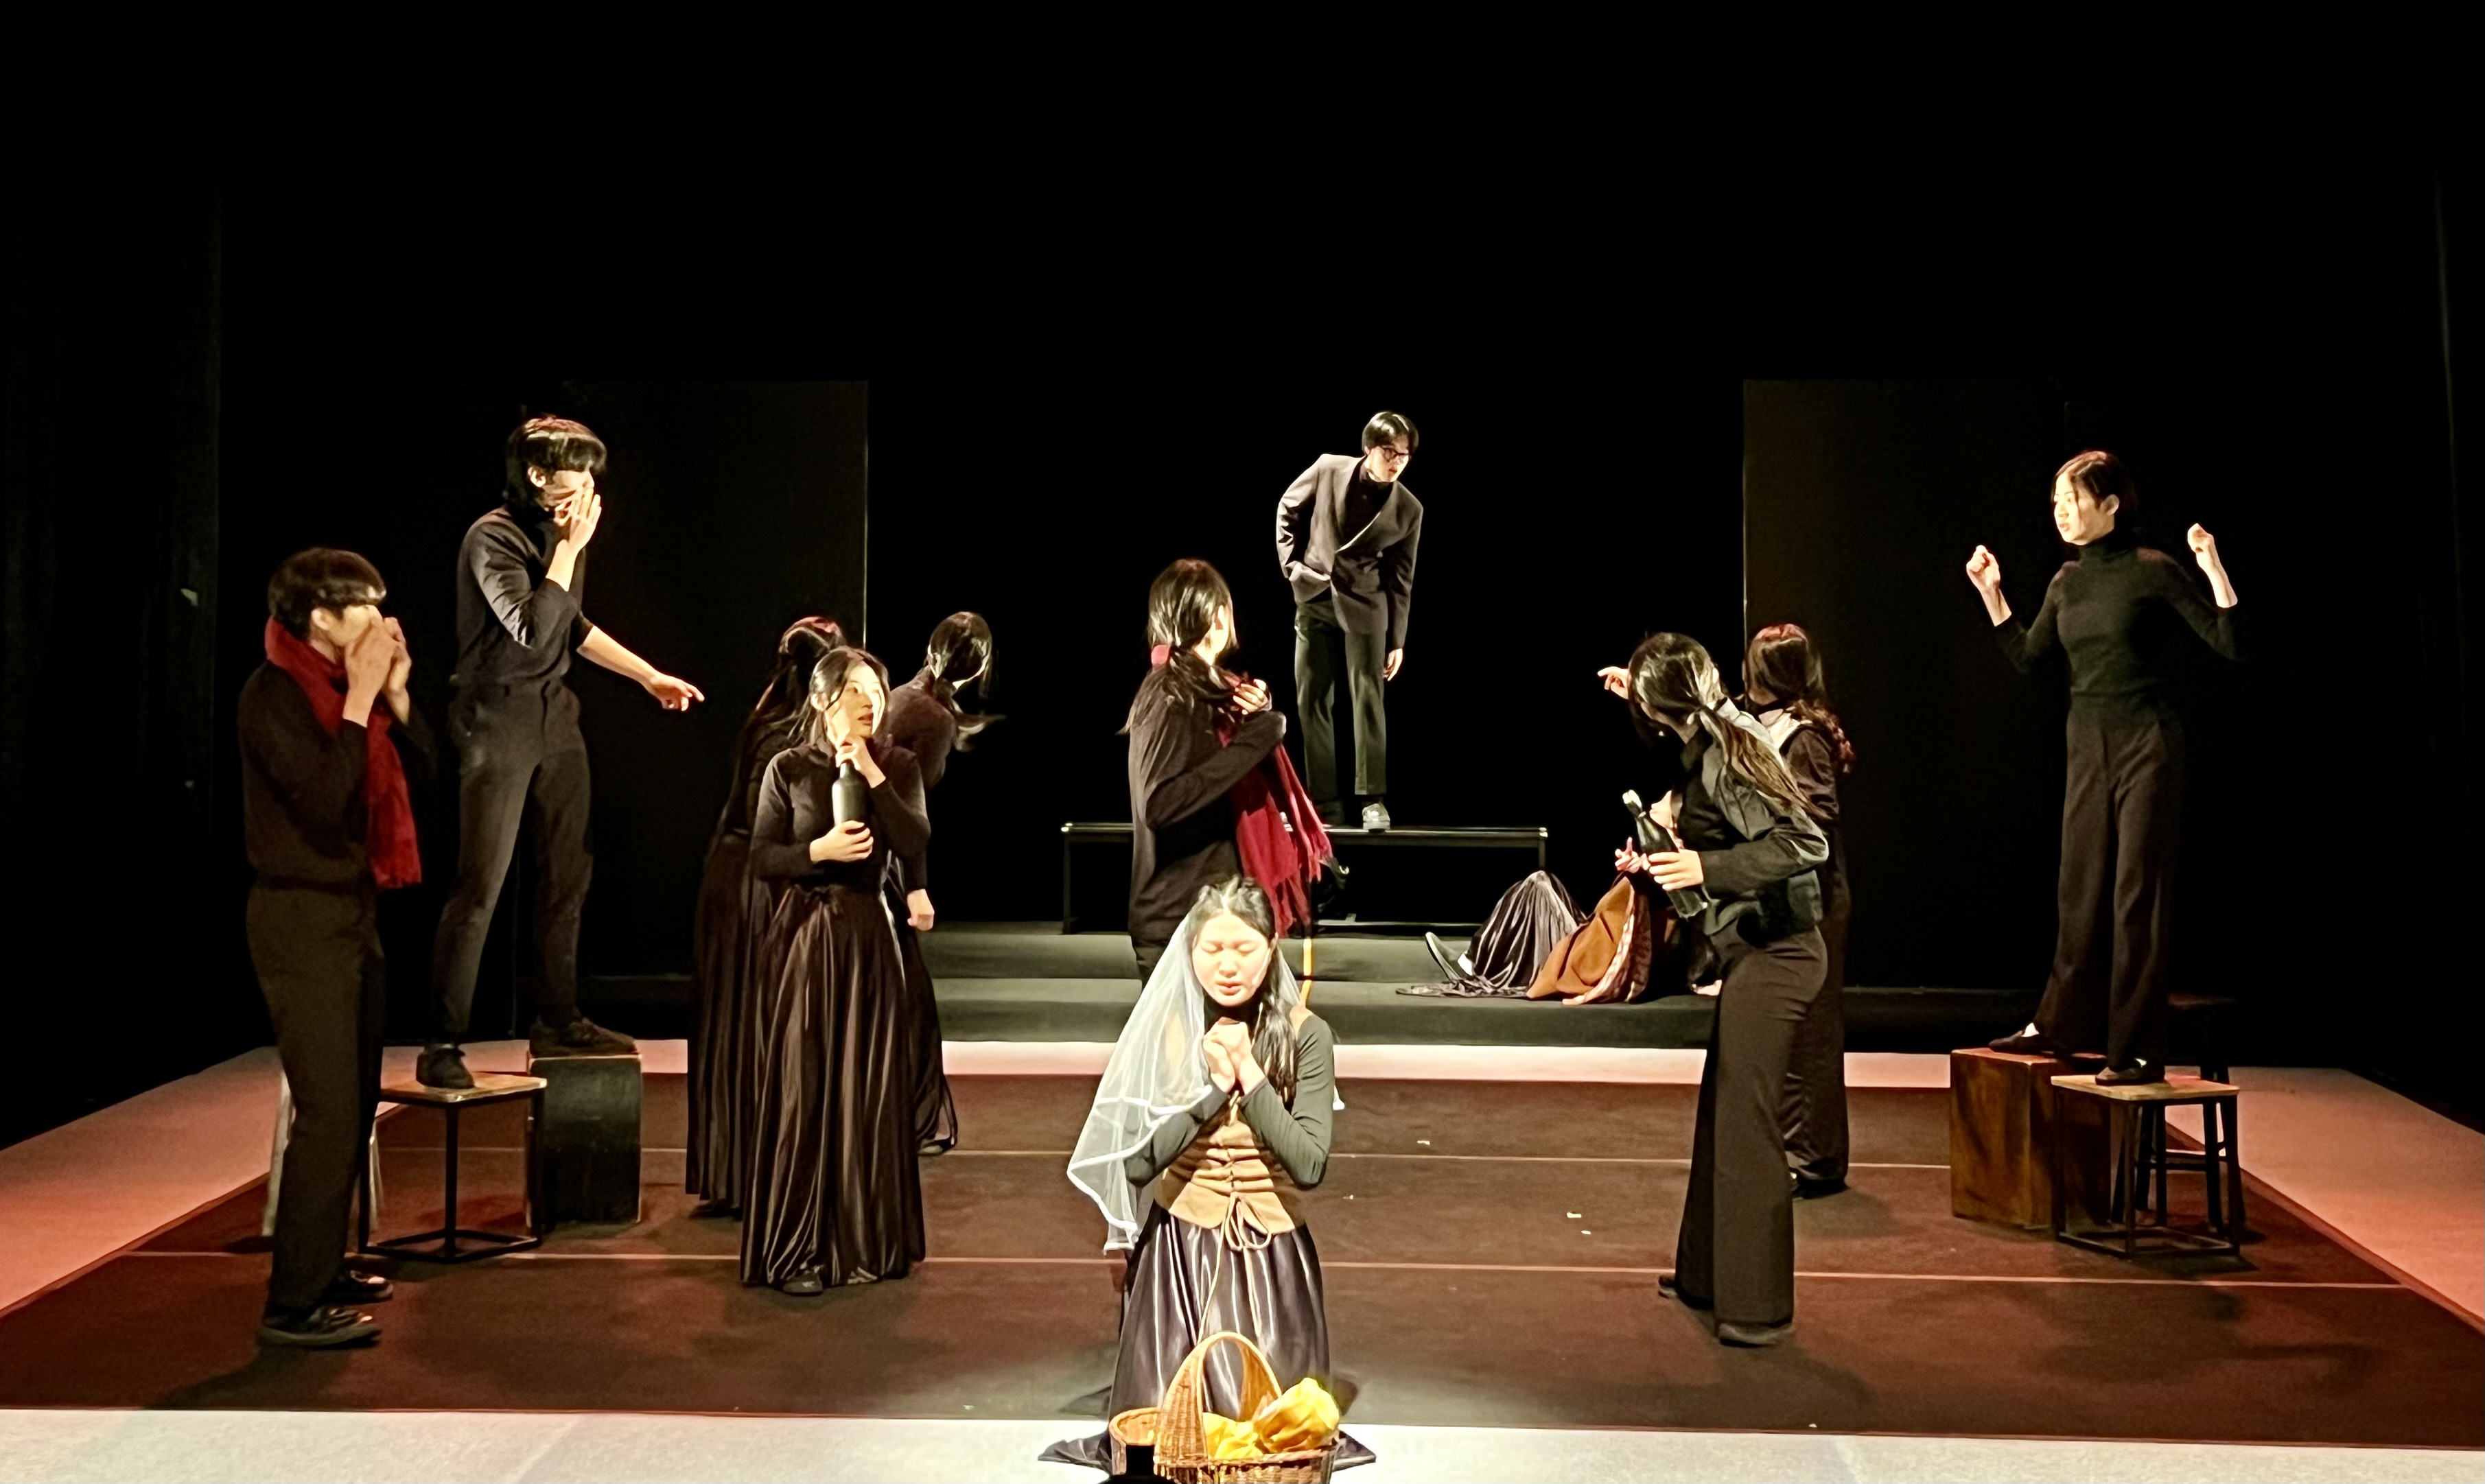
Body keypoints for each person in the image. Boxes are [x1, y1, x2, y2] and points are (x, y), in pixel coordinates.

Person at [1049, 877, 1371, 1474]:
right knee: (1170, 1433)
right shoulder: (1170, 1033)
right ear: (1190, 951)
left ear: (1270, 948)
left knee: (1268, 1432)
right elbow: (1138, 1163)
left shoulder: (1306, 1035)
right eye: (1212, 949)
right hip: (1180, 1250)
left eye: (1243, 948)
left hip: (1271, 1251)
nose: (1227, 966)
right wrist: (1209, 1092)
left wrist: (1249, 1075)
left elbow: (1309, 1164)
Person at [421, 416, 705, 1090]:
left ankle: (559, 1015)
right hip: (496, 713)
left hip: (553, 711)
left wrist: (648, 676)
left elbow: (570, 627)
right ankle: (442, 1039)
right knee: (482, 884)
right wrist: (570, 549)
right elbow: (528, 626)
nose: (587, 485)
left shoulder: (559, 537)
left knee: (568, 870)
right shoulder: (493, 536)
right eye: (577, 471)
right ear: (538, 474)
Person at [1967, 450, 2240, 1085]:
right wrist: (1992, 594)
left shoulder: (2153, 569)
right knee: (2079, 886)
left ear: (2111, 505)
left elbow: (2228, 641)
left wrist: (2212, 566)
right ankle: (2058, 1023)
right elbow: (2027, 657)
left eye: (2073, 499)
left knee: (2135, 895)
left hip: (2146, 742)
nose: (2061, 511)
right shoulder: (2066, 581)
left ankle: (2138, 1047)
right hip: (2087, 742)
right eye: (2056, 501)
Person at [1604, 633, 1828, 1347]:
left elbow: (1805, 843)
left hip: (1782, 953)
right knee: (1721, 1115)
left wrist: (1705, 867)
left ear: (1659, 705)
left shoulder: (1729, 752)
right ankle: (1706, 1275)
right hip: (1755, 950)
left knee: (1747, 1126)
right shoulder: (1708, 738)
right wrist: (1669, 863)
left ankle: (1759, 1309)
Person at [239, 549, 434, 1347]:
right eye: (365, 608)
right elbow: (323, 801)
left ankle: (324, 1266)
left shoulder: (350, 693)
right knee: (326, 1110)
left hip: (353, 913)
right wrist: (360, 699)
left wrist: (394, 695)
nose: (381, 622)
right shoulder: (273, 694)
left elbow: (428, 780)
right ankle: (293, 1306)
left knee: (356, 1103)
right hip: (298, 916)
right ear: (321, 617)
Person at [740, 645, 929, 1293]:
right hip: (810, 939)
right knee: (807, 1089)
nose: (870, 701)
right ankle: (797, 1250)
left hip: (871, 940)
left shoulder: (898, 765)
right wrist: (816, 851)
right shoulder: (789, 767)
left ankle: (864, 1240)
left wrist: (871, 774)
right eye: (855, 690)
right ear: (823, 700)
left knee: (868, 1089)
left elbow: (914, 841)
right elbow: (761, 857)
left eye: (876, 689)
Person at [687, 616, 846, 1215]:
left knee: (733, 1026)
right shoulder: (790, 739)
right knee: (764, 1026)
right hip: (759, 886)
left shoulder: (764, 719)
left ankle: (736, 1172)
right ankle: (765, 1174)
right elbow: (773, 834)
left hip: (728, 878)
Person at [1124, 561, 1286, 976]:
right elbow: (1159, 804)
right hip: (1181, 924)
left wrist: (1256, 715)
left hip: (1212, 916)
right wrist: (1256, 739)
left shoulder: (1200, 687)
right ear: (1218, 615)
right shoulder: (1170, 693)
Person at [1740, 622, 1856, 1198]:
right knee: (1789, 1034)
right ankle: (1794, 1151)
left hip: (1816, 903)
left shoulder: (1802, 735)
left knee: (1811, 1035)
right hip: (1789, 901)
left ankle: (1816, 1160)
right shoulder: (1766, 725)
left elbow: (1819, 816)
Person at [878, 611, 1001, 1155]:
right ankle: (902, 1117)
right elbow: (910, 811)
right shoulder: (931, 718)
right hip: (885, 861)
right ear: (978, 668)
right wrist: (916, 886)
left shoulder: (899, 698)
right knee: (909, 1004)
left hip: (874, 852)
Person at [1274, 411, 1423, 829]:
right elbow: (1288, 508)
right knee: (1312, 699)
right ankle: (1324, 803)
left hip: (1366, 606)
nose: (1397, 462)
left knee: (1368, 701)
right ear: (1368, 448)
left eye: (1405, 455)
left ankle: (1372, 800)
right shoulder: (1328, 469)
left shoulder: (1408, 508)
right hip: (1315, 596)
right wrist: (1293, 568)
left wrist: (1397, 639)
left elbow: (1402, 577)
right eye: (1390, 452)